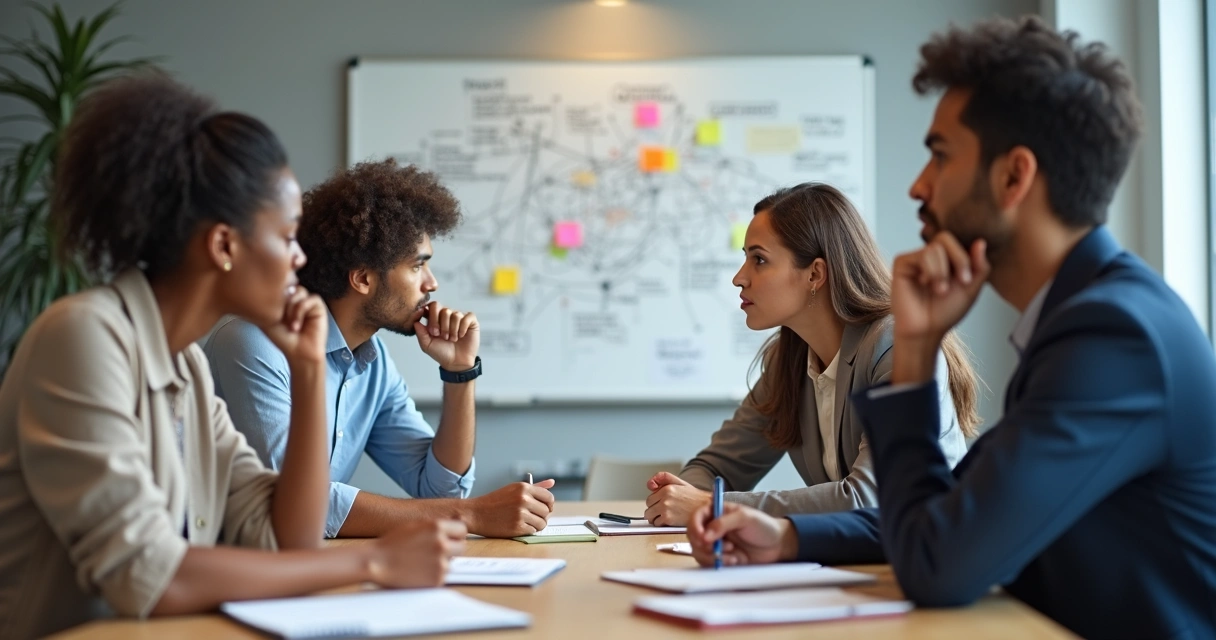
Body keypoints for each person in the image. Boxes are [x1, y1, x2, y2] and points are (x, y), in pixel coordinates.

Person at [685, 16, 1216, 639]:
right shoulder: (1085, 318)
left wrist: (913, 350)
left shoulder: (1113, 337)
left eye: (939, 155)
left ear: (1014, 176)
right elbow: (943, 518)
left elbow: (939, 561)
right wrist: (790, 535)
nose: (919, 185)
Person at [0, 74, 465, 639]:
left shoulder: (186, 367)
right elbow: (146, 575)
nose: (300, 260)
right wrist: (374, 562)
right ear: (224, 246)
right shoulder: (83, 338)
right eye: (288, 236)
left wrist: (311, 368)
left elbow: (287, 537)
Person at [204, 159, 555, 538]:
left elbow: (441, 488)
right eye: (417, 267)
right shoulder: (253, 344)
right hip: (225, 566)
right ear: (363, 278)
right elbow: (294, 503)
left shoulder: (372, 362)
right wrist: (470, 516)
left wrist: (460, 372)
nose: (432, 284)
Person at [643, 183, 979, 526]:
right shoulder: (788, 360)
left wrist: (709, 507)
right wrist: (682, 498)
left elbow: (871, 498)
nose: (739, 278)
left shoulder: (895, 345)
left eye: (758, 259)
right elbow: (714, 469)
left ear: (815, 274)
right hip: (851, 562)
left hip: (925, 564)